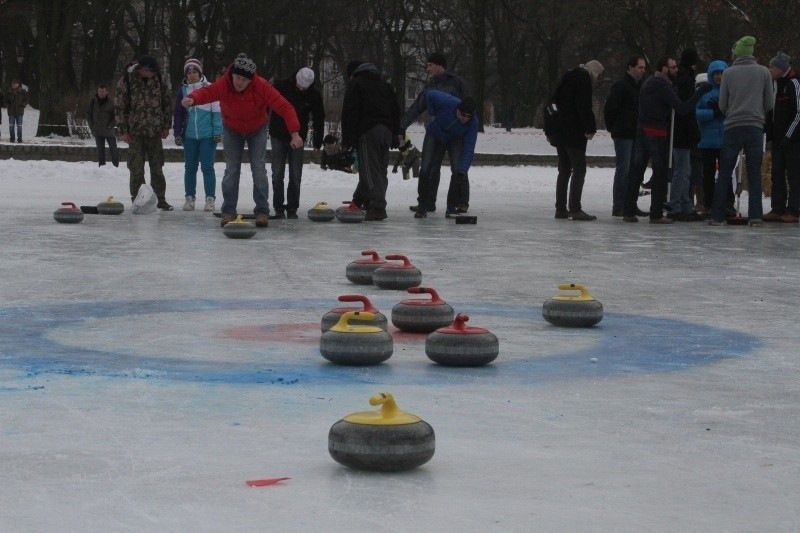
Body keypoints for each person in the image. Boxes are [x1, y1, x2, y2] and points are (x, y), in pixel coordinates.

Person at [181, 53, 302, 227]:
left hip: (257, 129)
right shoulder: (225, 82)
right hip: (232, 129)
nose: (239, 82)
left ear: (251, 80)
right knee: (232, 170)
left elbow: (284, 106)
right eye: (237, 77)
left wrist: (295, 132)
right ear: (232, 75)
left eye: (244, 80)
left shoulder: (261, 86)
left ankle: (262, 211)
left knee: (258, 168)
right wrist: (193, 99)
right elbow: (208, 92)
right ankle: (229, 210)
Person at [622, 56, 712, 223]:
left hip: (641, 131)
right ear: (664, 69)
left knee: (637, 172)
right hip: (656, 133)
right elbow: (682, 109)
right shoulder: (663, 87)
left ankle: (628, 211)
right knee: (660, 173)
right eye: (672, 67)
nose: (676, 70)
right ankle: (656, 213)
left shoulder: (648, 83)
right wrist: (699, 92)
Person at [708, 36, 774, 226]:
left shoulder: (728, 73)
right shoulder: (763, 72)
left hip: (733, 126)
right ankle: (755, 216)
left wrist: (733, 111)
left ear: (737, 53)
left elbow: (722, 104)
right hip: (754, 126)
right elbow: (769, 103)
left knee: (725, 171)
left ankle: (717, 215)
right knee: (754, 172)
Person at [401, 52, 471, 215]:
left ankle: (460, 202)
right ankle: (426, 202)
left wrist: (465, 127)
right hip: (435, 132)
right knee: (429, 167)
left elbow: (469, 106)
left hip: (454, 133)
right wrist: (402, 126)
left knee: (458, 167)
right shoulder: (430, 85)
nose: (428, 69)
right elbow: (418, 106)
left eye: (430, 65)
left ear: (440, 65)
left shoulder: (458, 82)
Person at [340, 62, 401, 221]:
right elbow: (396, 111)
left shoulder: (356, 84)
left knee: (369, 170)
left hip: (368, 131)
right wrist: (395, 134)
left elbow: (350, 112)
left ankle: (377, 206)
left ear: (353, 74)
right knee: (379, 170)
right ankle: (361, 200)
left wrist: (347, 139)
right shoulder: (385, 86)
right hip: (386, 130)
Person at [114, 55, 174, 210]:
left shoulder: (159, 80)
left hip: (154, 131)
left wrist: (166, 125)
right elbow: (119, 107)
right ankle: (138, 200)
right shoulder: (126, 81)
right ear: (142, 70)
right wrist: (123, 130)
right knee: (136, 169)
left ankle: (160, 199)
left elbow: (167, 103)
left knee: (157, 168)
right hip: (135, 132)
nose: (153, 74)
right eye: (151, 72)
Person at [550, 59, 604, 221]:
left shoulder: (567, 77)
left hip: (560, 131)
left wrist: (551, 127)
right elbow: (584, 107)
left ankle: (560, 208)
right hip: (574, 132)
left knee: (564, 170)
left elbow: (552, 103)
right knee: (579, 170)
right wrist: (590, 128)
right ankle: (575, 208)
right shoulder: (584, 80)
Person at [268, 67, 325, 219]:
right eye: (299, 84)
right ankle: (278, 207)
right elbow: (267, 103)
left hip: (299, 137)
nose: (300, 88)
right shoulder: (281, 85)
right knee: (277, 173)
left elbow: (319, 118)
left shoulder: (314, 94)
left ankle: (292, 207)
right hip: (278, 134)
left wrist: (317, 143)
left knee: (295, 174)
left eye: (304, 87)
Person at [412, 91, 478, 218]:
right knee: (426, 168)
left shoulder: (472, 123)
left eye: (468, 116)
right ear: (458, 109)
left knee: (458, 170)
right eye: (462, 114)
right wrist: (431, 114)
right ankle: (422, 206)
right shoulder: (448, 102)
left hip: (454, 138)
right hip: (434, 133)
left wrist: (463, 170)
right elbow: (430, 94)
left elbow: (469, 147)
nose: (465, 119)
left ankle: (451, 207)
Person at [173, 58, 222, 212]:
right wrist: (177, 132)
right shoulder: (183, 91)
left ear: (200, 73)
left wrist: (217, 131)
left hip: (207, 136)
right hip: (190, 136)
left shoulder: (210, 88)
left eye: (194, 72)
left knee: (208, 167)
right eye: (189, 72)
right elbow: (178, 114)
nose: (192, 75)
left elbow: (216, 111)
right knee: (190, 168)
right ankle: (189, 198)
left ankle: (210, 198)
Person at [604, 56, 646, 217]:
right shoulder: (621, 86)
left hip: (637, 133)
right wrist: (614, 128)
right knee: (624, 170)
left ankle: (630, 204)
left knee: (634, 171)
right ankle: (619, 205)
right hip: (624, 134)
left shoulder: (640, 86)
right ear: (630, 67)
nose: (642, 71)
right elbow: (610, 109)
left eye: (643, 68)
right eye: (639, 67)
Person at [667, 48, 705, 221]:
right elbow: (686, 109)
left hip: (679, 130)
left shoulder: (680, 78)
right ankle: (677, 205)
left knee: (684, 169)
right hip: (682, 132)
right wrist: (694, 131)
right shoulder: (686, 80)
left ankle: (684, 204)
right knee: (682, 170)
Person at [764, 51, 799, 223]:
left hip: (793, 140)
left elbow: (798, 113)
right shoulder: (774, 84)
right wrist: (768, 131)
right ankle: (778, 208)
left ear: (781, 68)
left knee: (794, 174)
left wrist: (788, 135)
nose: (769, 69)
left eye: (772, 67)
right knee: (776, 174)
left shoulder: (794, 83)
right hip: (778, 139)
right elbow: (771, 111)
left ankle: (794, 210)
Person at [695, 61, 731, 215]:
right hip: (707, 140)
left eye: (721, 73)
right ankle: (708, 204)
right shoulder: (703, 91)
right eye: (716, 73)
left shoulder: (730, 91)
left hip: (725, 140)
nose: (719, 76)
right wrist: (712, 113)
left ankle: (728, 203)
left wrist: (724, 111)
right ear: (711, 74)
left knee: (726, 174)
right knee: (708, 175)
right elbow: (694, 113)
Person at [87, 85, 120, 167]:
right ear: (97, 92)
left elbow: (116, 115)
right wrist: (92, 126)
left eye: (103, 91)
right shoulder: (93, 101)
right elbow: (89, 114)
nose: (101, 93)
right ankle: (102, 167)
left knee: (113, 149)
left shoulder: (111, 102)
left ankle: (116, 165)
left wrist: (110, 125)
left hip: (109, 130)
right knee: (100, 150)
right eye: (99, 91)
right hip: (97, 130)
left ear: (107, 92)